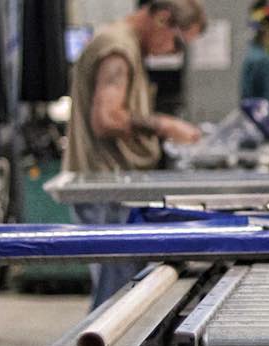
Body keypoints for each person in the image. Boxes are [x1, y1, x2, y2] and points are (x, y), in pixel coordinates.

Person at [62, 0, 205, 309]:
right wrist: (165, 125)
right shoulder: (119, 49)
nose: (171, 51)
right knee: (116, 304)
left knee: (120, 298)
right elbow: (108, 118)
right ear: (162, 18)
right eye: (176, 41)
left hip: (109, 185)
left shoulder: (126, 46)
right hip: (106, 187)